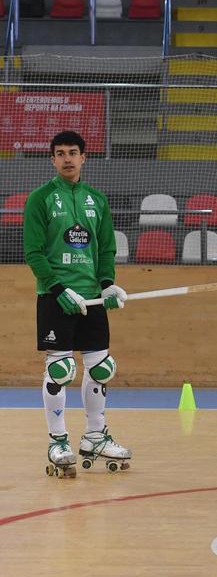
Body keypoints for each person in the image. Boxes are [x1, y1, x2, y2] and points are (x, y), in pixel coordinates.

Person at [23, 130, 131, 478]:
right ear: (52, 159)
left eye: (73, 152)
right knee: (60, 371)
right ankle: (58, 441)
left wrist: (108, 284)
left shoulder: (97, 200)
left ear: (84, 157)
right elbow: (34, 253)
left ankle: (95, 436)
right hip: (56, 298)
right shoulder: (40, 199)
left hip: (92, 297)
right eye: (60, 153)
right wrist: (58, 289)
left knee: (101, 368)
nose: (67, 158)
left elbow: (105, 250)